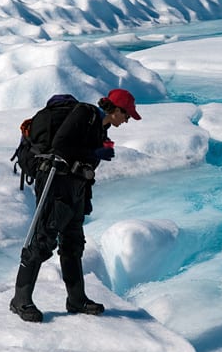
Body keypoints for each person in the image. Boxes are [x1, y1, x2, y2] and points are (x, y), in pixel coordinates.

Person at [10, 88, 142, 323]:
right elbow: (61, 144)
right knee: (42, 240)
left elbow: (84, 155)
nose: (128, 119)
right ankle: (20, 300)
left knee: (73, 243)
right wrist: (94, 152)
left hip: (76, 187)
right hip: (56, 182)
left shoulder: (100, 126)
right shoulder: (85, 114)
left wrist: (99, 153)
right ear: (117, 109)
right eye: (127, 114)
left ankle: (76, 299)